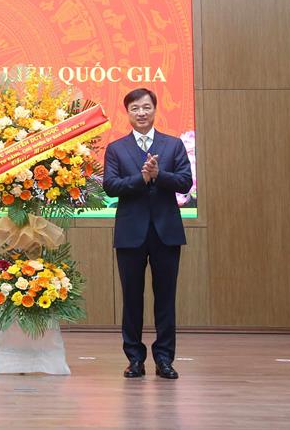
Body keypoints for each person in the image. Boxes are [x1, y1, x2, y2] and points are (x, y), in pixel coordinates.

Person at [103, 87, 193, 380]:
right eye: (135, 109)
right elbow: (111, 187)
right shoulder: (116, 148)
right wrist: (141, 179)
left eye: (146, 107)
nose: (141, 113)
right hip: (131, 234)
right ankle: (135, 359)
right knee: (132, 299)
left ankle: (164, 359)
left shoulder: (173, 145)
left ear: (155, 109)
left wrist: (158, 175)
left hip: (166, 233)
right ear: (127, 113)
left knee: (165, 298)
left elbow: (184, 182)